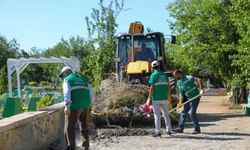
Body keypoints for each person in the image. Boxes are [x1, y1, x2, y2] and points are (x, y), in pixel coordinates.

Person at [59, 66, 92, 150]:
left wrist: (67, 106)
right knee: (84, 125)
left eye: (63, 75)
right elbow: (90, 92)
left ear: (66, 72)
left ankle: (71, 147)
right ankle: (86, 146)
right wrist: (90, 105)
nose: (63, 77)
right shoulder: (83, 79)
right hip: (86, 105)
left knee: (70, 127)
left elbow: (66, 93)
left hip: (75, 106)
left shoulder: (67, 80)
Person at [172, 70, 205, 134]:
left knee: (192, 113)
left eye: (175, 75)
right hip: (188, 98)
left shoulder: (188, 77)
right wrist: (180, 102)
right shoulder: (179, 82)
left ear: (179, 73)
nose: (174, 77)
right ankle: (180, 128)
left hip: (195, 97)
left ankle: (197, 129)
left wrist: (201, 89)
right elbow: (181, 94)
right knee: (183, 113)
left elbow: (199, 79)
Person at [147, 60, 172, 137]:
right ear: (159, 66)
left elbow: (152, 87)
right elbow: (168, 86)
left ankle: (158, 132)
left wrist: (149, 98)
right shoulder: (165, 75)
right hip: (164, 97)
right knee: (166, 115)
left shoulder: (153, 75)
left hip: (156, 98)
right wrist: (169, 96)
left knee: (157, 115)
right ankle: (169, 131)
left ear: (152, 67)